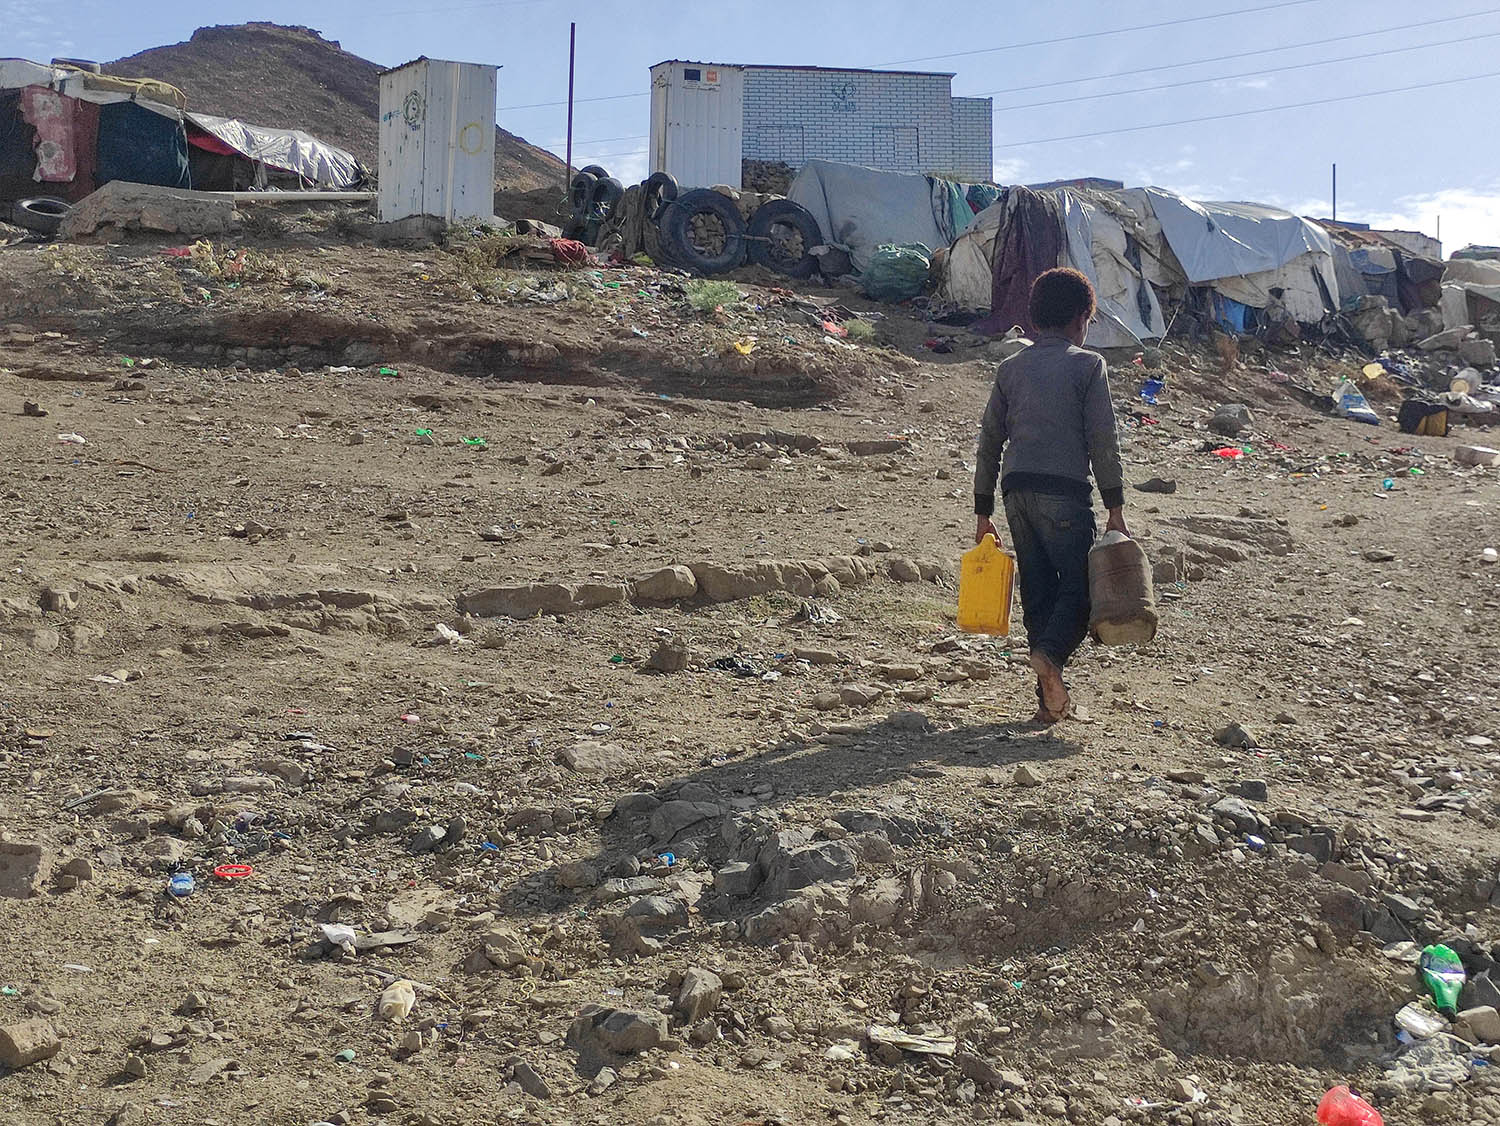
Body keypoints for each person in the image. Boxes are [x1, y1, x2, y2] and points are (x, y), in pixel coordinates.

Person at [973, 267, 1127, 723]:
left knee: (1039, 594)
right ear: (1081, 318)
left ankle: (1048, 703)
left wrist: (983, 512)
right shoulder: (1088, 365)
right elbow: (1103, 440)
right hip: (1065, 493)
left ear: (1036, 317)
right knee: (1081, 591)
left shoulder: (1010, 369)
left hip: (1016, 493)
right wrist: (1115, 508)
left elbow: (989, 442)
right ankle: (1051, 658)